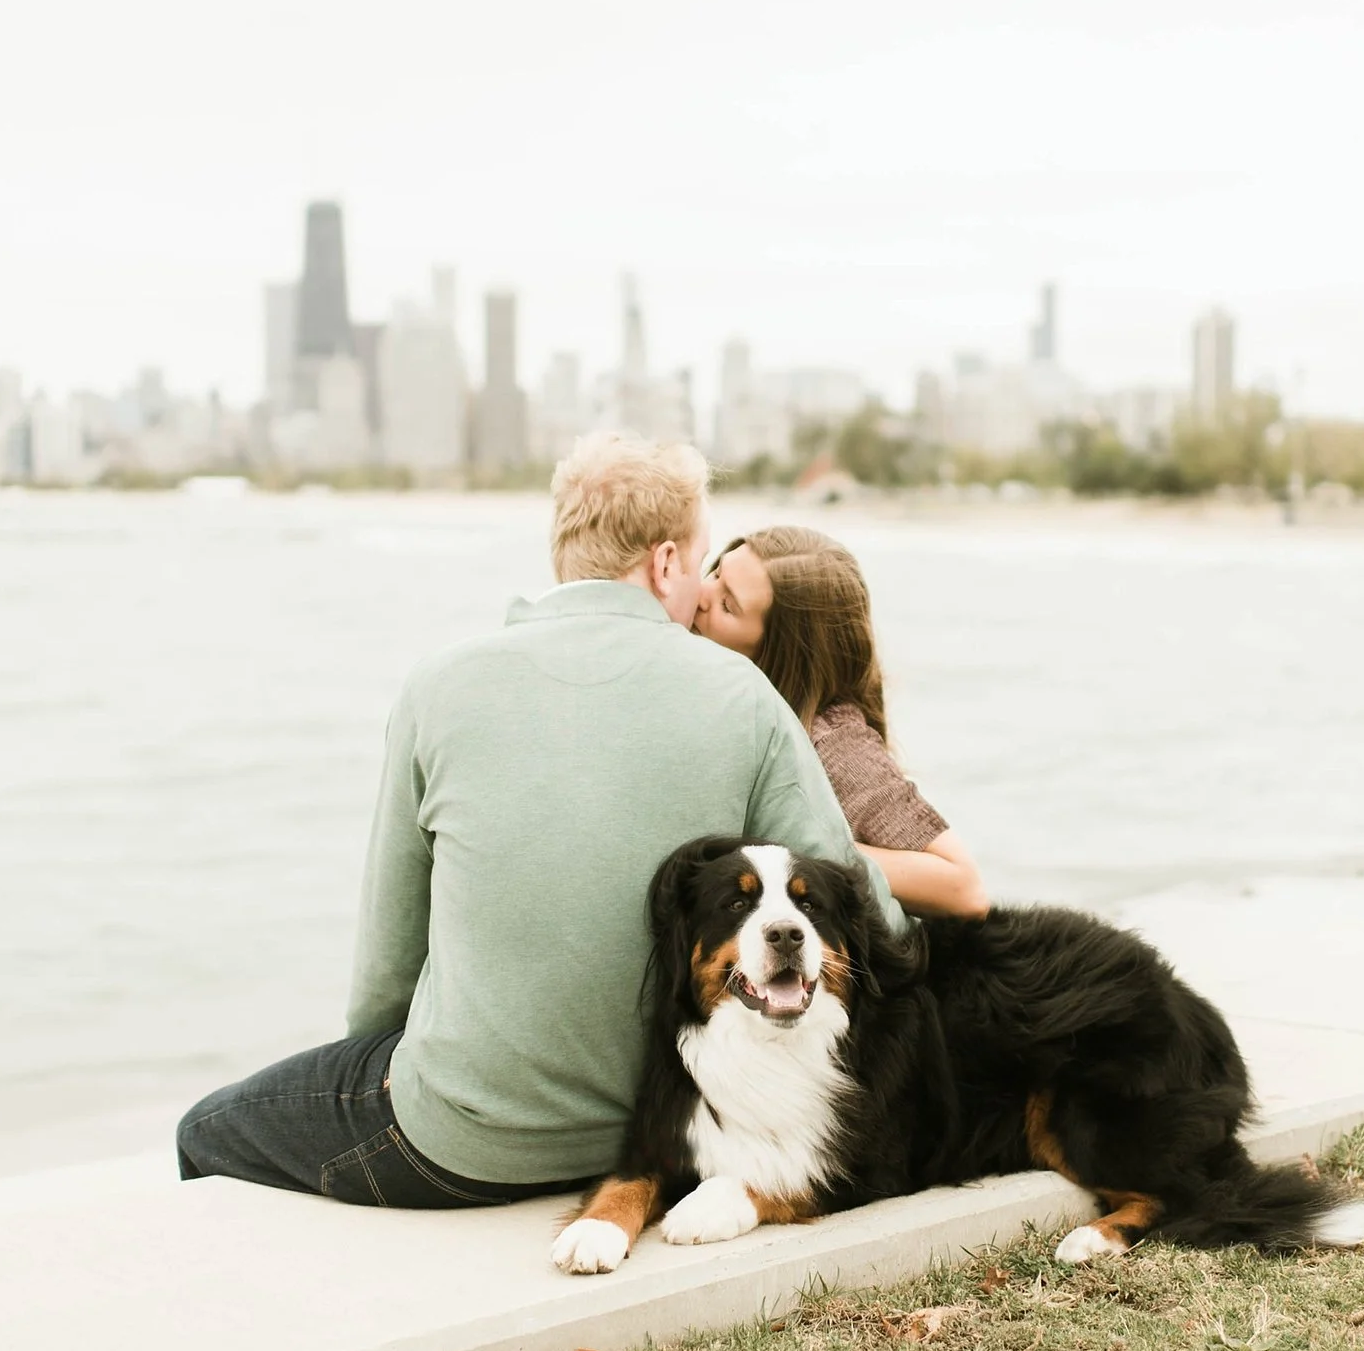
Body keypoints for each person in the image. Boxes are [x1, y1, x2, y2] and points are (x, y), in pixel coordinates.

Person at [175, 436, 916, 1208]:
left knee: (205, 1129)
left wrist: (413, 1055)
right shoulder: (745, 696)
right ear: (665, 563)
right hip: (676, 1137)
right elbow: (869, 923)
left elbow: (385, 977)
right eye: (699, 564)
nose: (699, 592)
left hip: (464, 1147)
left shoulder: (439, 685)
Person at [695, 525, 990, 919]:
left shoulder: (831, 740)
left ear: (780, 654)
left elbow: (963, 888)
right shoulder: (720, 699)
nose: (700, 595)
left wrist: (805, 844)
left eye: (727, 605)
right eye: (715, 574)